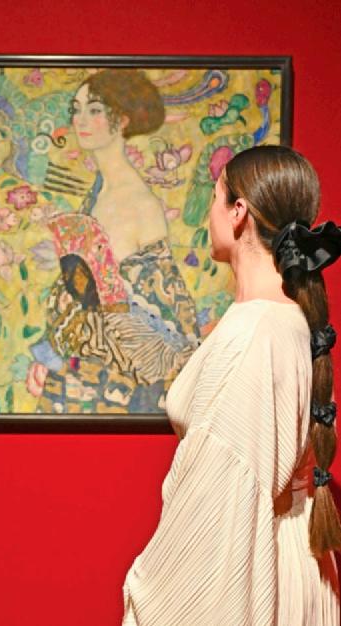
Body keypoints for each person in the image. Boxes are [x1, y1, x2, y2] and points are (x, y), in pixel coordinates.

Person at [122, 145, 341, 624]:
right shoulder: (282, 320)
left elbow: (219, 504)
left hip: (258, 568)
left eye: (214, 196)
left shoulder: (254, 333)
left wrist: (146, 583)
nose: (209, 213)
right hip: (293, 560)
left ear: (238, 211)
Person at [34, 70, 200, 414]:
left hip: (114, 385)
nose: (80, 119)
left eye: (94, 109)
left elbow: (167, 316)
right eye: (76, 109)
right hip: (77, 368)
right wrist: (49, 355)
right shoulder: (99, 191)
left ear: (122, 120)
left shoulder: (137, 202)